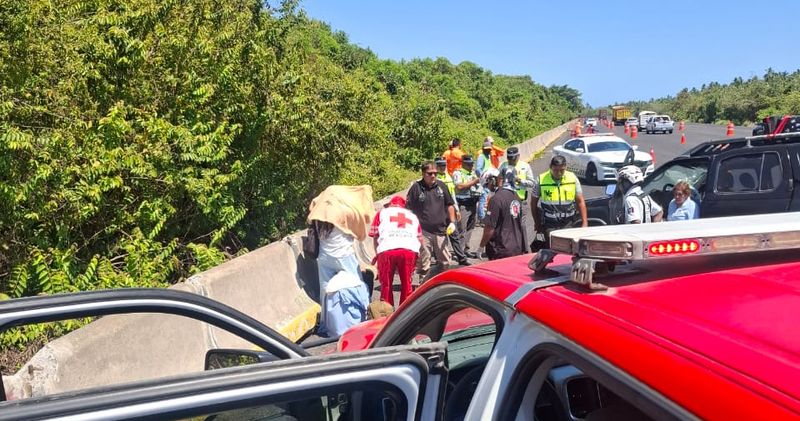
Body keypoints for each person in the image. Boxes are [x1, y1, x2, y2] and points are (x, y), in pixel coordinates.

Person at [406, 161, 457, 279]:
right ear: (423, 173)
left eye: (435, 173)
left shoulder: (441, 186)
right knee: (424, 261)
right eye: (430, 173)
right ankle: (423, 284)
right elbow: (408, 209)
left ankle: (442, 282)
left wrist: (452, 222)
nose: (433, 176)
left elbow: (450, 204)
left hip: (441, 230)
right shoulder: (416, 188)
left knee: (445, 261)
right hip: (423, 231)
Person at [369, 196, 423, 307]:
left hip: (387, 249)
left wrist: (377, 254)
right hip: (409, 249)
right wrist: (417, 258)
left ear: (390, 204)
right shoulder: (413, 216)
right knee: (407, 284)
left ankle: (386, 314)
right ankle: (405, 314)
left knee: (386, 285)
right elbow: (419, 239)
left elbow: (375, 236)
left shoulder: (382, 213)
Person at [313, 219, 363, 337]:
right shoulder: (341, 213)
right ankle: (362, 318)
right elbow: (355, 233)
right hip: (344, 254)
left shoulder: (319, 215)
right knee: (356, 285)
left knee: (325, 291)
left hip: (324, 256)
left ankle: (326, 323)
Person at [530, 155, 588, 250]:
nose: (559, 173)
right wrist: (537, 222)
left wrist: (585, 223)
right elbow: (533, 203)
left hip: (568, 223)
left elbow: (580, 201)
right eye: (555, 170)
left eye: (562, 170)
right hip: (549, 224)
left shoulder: (572, 178)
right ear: (550, 167)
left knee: (568, 250)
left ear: (566, 167)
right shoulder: (541, 179)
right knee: (552, 250)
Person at [479, 167, 525, 260]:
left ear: (494, 180)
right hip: (516, 247)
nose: (488, 187)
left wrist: (481, 247)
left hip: (500, 249)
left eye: (487, 183)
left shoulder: (496, 199)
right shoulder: (516, 197)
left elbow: (489, 228)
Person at [499, 146, 535, 252]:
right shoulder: (503, 166)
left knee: (521, 225)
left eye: (513, 158)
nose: (511, 160)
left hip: (520, 200)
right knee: (506, 225)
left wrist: (521, 181)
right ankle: (508, 247)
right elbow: (499, 180)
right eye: (509, 158)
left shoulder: (525, 166)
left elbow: (532, 183)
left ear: (518, 156)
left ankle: (525, 249)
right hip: (506, 201)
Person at [436, 158, 469, 266]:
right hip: (438, 212)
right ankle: (439, 260)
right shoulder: (434, 179)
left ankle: (462, 258)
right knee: (439, 237)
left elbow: (452, 195)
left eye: (444, 165)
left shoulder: (448, 177)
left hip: (449, 210)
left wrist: (457, 209)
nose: (442, 167)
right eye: (440, 165)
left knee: (454, 234)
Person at [452, 155, 482, 258]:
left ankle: (466, 249)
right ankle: (459, 252)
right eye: (469, 164)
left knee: (470, 227)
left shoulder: (473, 173)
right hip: (463, 204)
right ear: (463, 164)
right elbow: (459, 186)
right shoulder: (458, 173)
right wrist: (474, 182)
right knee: (462, 228)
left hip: (472, 202)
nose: (471, 166)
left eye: (472, 164)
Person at [475, 140, 497, 221]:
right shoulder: (482, 157)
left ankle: (484, 216)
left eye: (489, 149)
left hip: (488, 181)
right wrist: (483, 178)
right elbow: (478, 169)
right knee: (483, 199)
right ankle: (482, 218)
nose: (488, 151)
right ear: (483, 149)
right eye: (486, 149)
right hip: (484, 181)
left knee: (486, 198)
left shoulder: (487, 157)